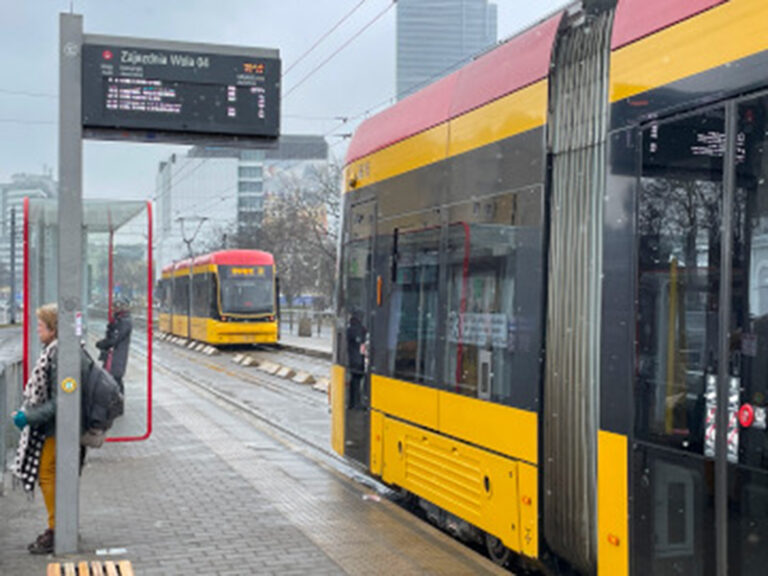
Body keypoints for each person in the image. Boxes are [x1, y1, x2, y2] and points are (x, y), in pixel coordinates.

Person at [10, 303, 60, 554]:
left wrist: (28, 417)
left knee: (47, 473)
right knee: (48, 473)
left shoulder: (59, 354)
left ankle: (58, 529)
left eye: (41, 325)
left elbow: (60, 401)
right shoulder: (54, 350)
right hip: (52, 426)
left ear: (53, 329)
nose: (38, 330)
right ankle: (58, 525)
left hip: (55, 428)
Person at [96, 296, 133, 393]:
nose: (114, 309)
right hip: (113, 355)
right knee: (112, 379)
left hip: (116, 356)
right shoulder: (119, 319)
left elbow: (114, 339)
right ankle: (116, 400)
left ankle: (117, 400)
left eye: (116, 307)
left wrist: (102, 344)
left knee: (114, 379)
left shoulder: (124, 321)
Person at [346, 308, 367, 409]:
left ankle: (352, 403)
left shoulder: (350, 329)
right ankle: (357, 403)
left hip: (352, 360)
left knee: (354, 383)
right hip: (359, 361)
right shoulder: (361, 329)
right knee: (358, 383)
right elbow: (362, 344)